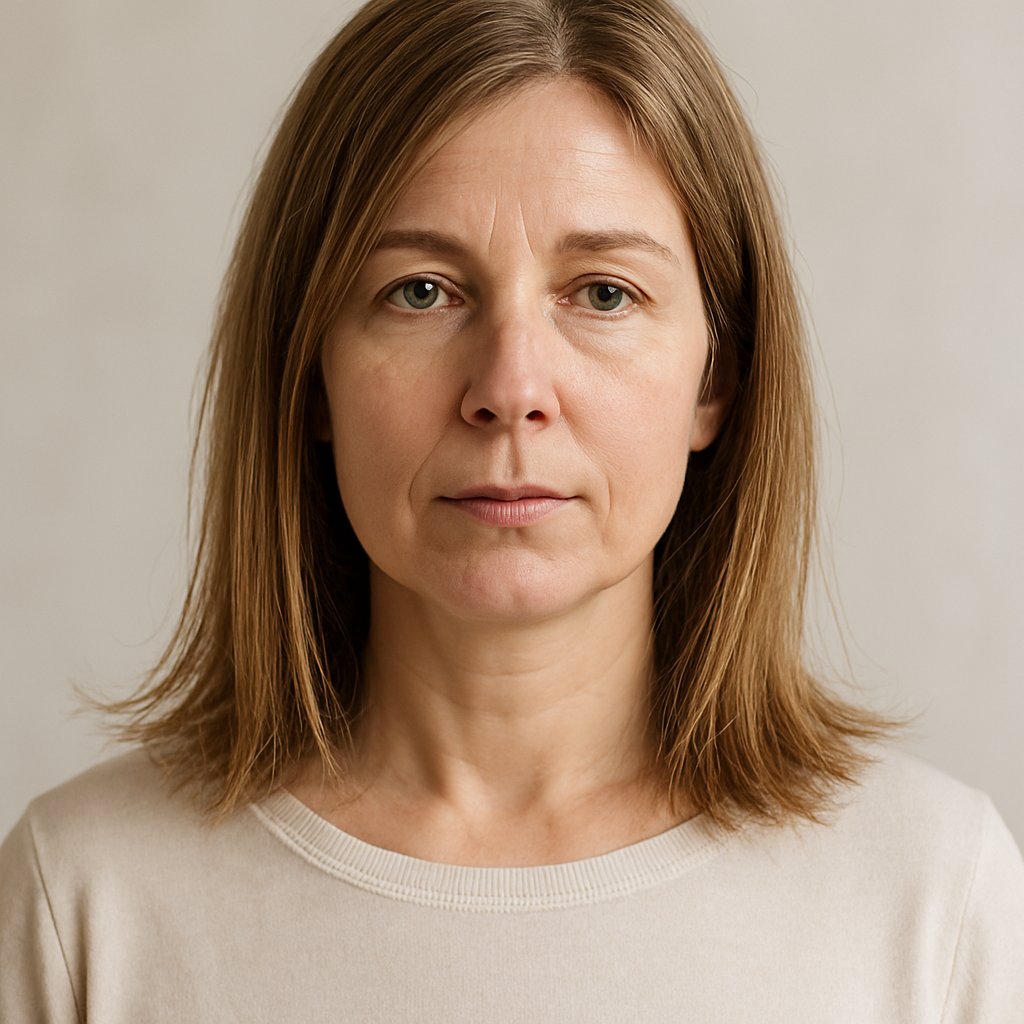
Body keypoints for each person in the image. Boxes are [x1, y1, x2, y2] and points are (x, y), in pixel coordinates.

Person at [2, 0, 1022, 1019]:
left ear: (718, 380)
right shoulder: (85, 901)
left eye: (604, 293)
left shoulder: (930, 900)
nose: (509, 384)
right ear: (309, 375)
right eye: (421, 291)